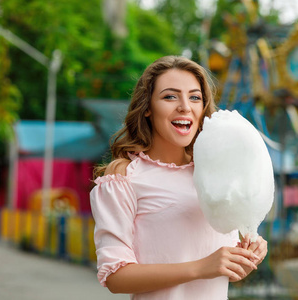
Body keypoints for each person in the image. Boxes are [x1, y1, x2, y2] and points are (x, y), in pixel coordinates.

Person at [90, 55, 268, 299]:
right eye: (170, 96)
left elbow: (218, 269)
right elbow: (115, 277)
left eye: (195, 97)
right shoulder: (124, 178)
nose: (185, 106)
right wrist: (202, 267)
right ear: (148, 108)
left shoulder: (217, 175)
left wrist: (245, 255)